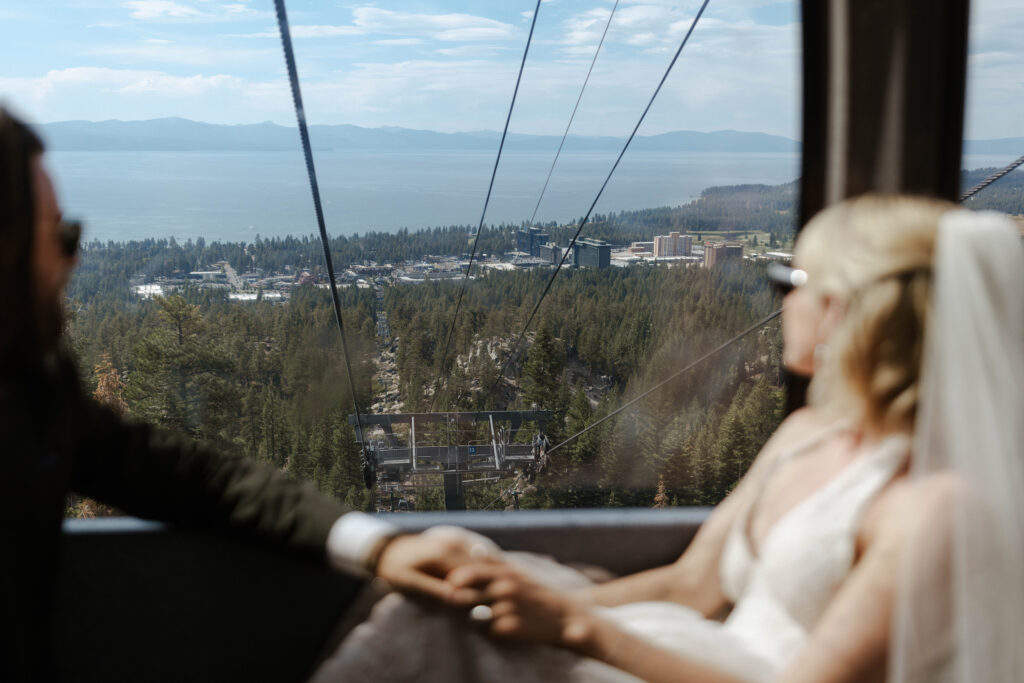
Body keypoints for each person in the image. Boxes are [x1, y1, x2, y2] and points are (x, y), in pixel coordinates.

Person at [315, 195, 1024, 682]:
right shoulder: (807, 435)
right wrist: (534, 608)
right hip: (691, 648)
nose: (782, 296)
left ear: (847, 311)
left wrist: (575, 627)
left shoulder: (935, 510)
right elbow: (692, 585)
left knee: (430, 630)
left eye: (791, 277)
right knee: (454, 578)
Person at [0, 106, 485, 682]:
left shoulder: (34, 387)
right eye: (61, 235)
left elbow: (182, 474)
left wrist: (377, 547)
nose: (75, 256)